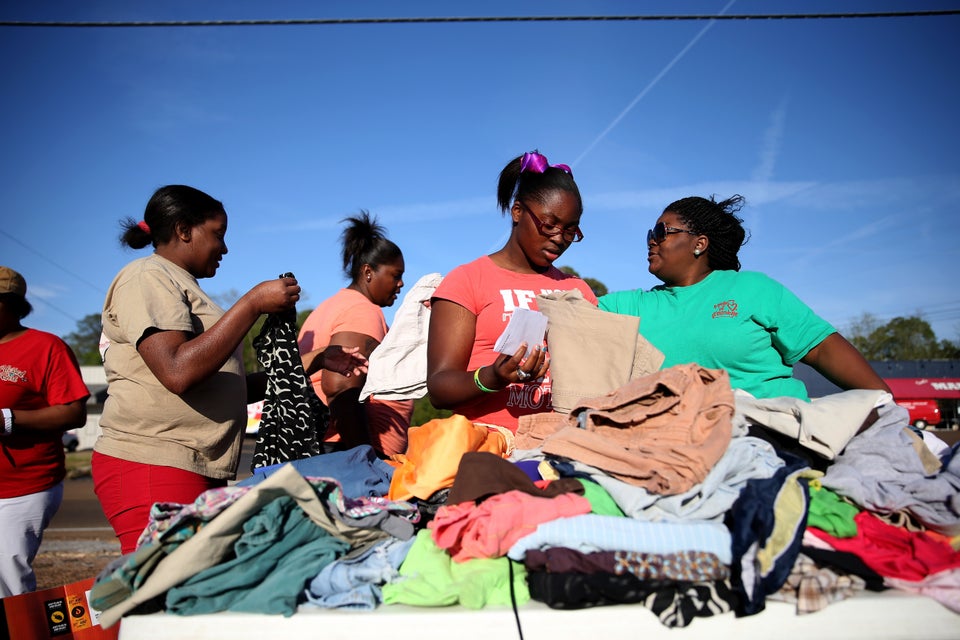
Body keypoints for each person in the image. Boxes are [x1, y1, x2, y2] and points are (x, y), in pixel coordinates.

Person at [93, 185, 367, 554]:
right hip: (153, 460)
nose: (224, 248)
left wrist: (313, 362)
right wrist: (253, 303)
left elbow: (226, 385)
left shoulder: (180, 284)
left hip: (196, 464)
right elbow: (177, 371)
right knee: (162, 591)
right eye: (218, 234)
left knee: (190, 590)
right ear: (184, 230)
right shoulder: (148, 276)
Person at [598, 194, 890, 401]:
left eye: (662, 231)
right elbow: (564, 309)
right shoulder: (629, 306)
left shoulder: (754, 289)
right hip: (681, 446)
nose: (651, 239)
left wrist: (885, 407)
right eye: (651, 232)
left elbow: (822, 349)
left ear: (699, 243)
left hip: (771, 433)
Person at [427, 151, 599, 434]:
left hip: (558, 451)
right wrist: (493, 377)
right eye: (549, 224)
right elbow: (438, 389)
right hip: (488, 448)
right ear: (517, 211)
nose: (559, 238)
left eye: (570, 230)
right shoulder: (467, 280)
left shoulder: (578, 291)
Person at [0, 266, 89, 596]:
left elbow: (74, 412)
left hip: (22, 486)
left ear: (10, 304)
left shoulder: (45, 347)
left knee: (6, 582)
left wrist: (7, 420)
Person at [298, 211, 413, 458]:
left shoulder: (331, 306)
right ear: (368, 272)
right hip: (341, 450)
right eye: (396, 275)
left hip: (328, 446)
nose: (401, 284)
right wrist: (365, 461)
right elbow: (341, 388)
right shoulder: (362, 311)